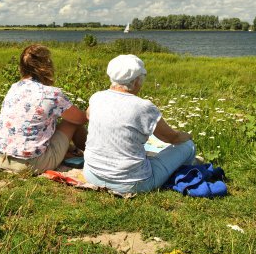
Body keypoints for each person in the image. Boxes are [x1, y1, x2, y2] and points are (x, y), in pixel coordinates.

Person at [83, 54, 196, 194]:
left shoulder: (97, 97)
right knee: (188, 146)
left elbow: (88, 115)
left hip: (92, 174)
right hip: (132, 183)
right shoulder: (143, 107)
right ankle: (181, 175)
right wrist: (187, 135)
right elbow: (172, 138)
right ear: (137, 81)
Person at [0, 44, 87, 174]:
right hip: (30, 164)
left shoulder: (14, 87)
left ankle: (72, 152)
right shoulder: (51, 94)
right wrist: (93, 107)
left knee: (46, 123)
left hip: (1, 158)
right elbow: (81, 119)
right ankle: (96, 155)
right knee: (72, 121)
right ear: (46, 67)